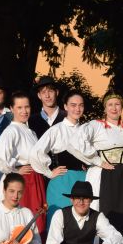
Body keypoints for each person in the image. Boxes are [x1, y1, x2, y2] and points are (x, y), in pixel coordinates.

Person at [70, 93, 123, 244]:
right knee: (104, 215)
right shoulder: (96, 125)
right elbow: (75, 142)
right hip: (106, 176)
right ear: (105, 107)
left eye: (118, 104)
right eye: (110, 104)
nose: (114, 108)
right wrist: (97, 161)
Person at [0, 91, 47, 235]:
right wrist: (14, 170)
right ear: (12, 109)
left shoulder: (30, 132)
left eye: (27, 107)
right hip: (23, 181)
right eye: (19, 107)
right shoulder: (12, 130)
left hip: (34, 180)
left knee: (36, 221)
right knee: (22, 222)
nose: (24, 111)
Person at [30, 90, 88, 229]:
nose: (77, 109)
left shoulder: (86, 130)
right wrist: (49, 173)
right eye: (73, 105)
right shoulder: (57, 130)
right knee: (60, 222)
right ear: (65, 106)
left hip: (84, 180)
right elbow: (36, 153)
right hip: (62, 181)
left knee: (83, 223)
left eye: (80, 105)